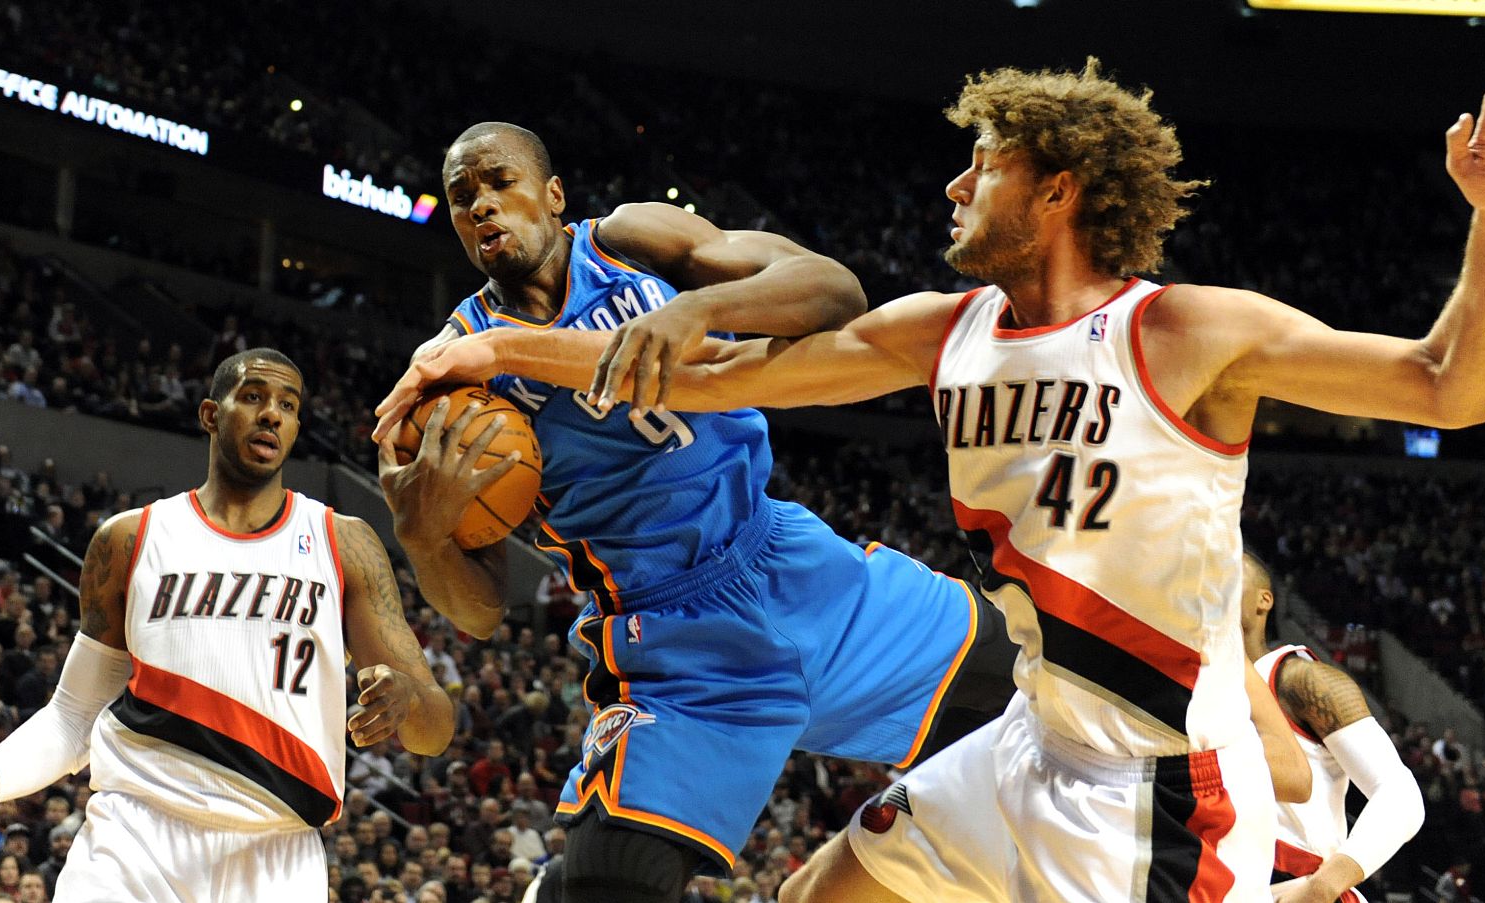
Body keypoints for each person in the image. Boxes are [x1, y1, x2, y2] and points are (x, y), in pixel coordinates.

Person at [377, 64, 1485, 902]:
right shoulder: (944, 330)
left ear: (1057, 190)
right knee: (818, 890)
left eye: (979, 167)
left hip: (1156, 784)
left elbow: (1447, 385)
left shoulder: (1189, 332)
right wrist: (482, 352)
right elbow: (711, 378)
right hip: (1014, 738)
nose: (951, 188)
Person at [370, 122, 1016, 902]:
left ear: (552, 195)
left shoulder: (633, 242)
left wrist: (697, 310)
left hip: (791, 562)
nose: (479, 203)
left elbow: (834, 292)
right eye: (461, 195)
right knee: (612, 888)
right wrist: (422, 533)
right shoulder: (454, 373)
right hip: (675, 644)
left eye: (497, 180)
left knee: (1044, 684)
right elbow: (476, 613)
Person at [0, 348, 454, 900]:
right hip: (134, 839)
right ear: (211, 414)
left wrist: (409, 699)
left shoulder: (344, 543)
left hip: (277, 855)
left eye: (287, 404)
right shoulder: (130, 538)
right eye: (254, 397)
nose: (272, 414)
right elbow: (72, 717)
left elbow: (436, 728)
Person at [1239, 550, 1424, 903]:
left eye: (1227, 570)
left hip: (1299, 884)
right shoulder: (1191, 692)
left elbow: (1400, 794)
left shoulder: (1300, 679)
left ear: (1265, 599)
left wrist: (1325, 886)